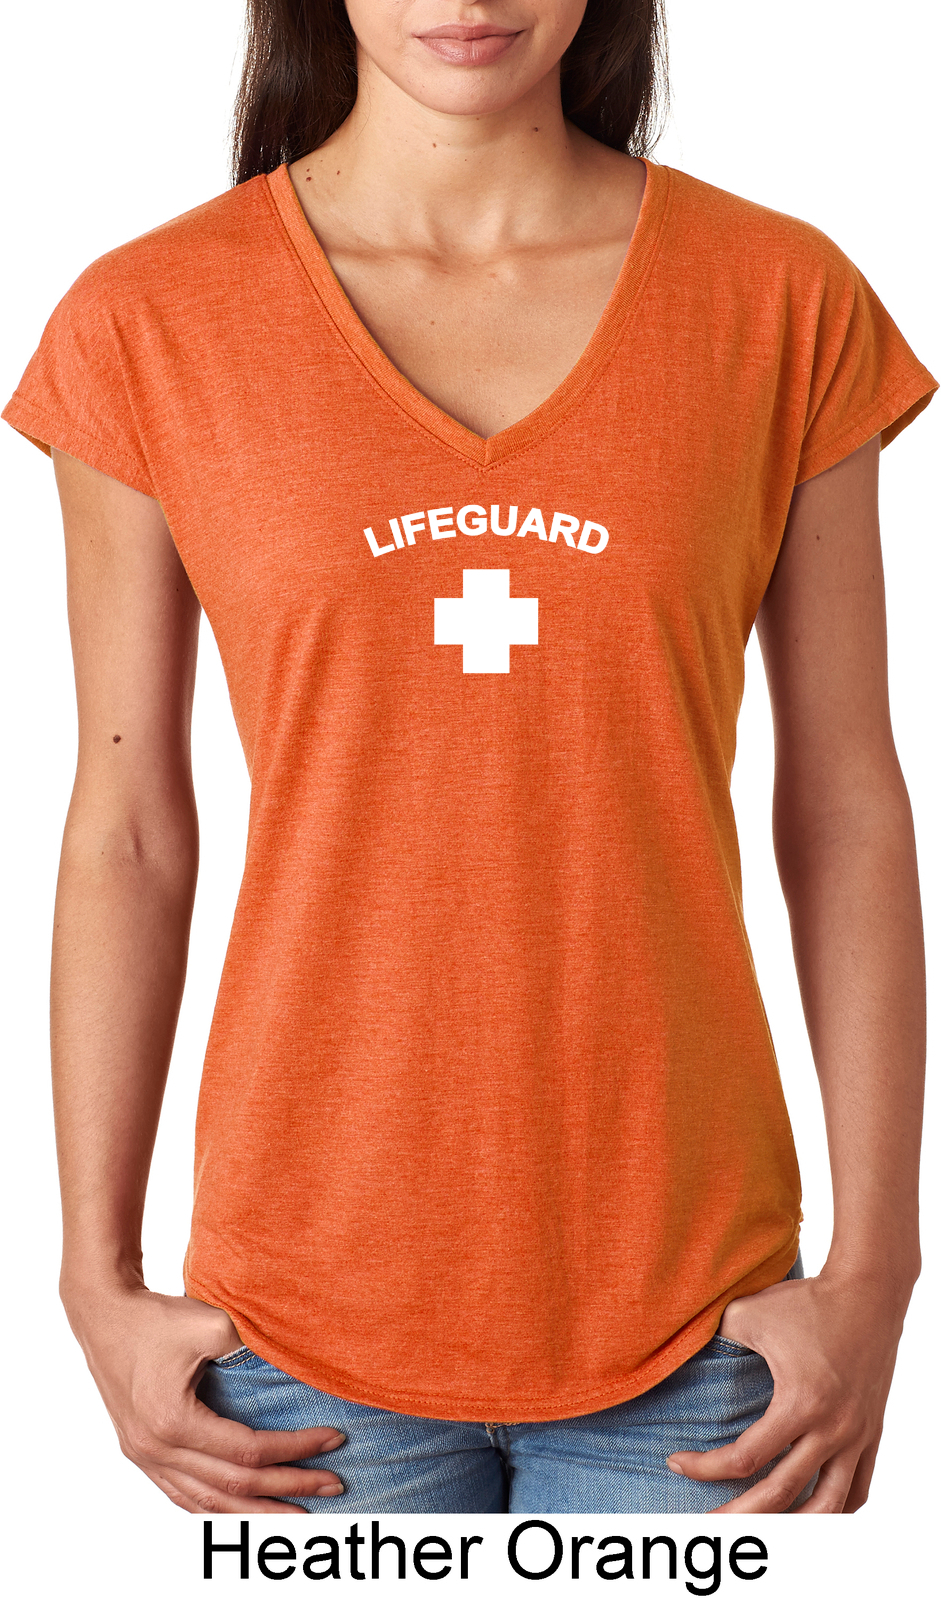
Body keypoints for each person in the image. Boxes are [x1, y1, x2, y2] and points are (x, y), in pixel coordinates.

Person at [3, 0, 935, 1518]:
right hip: (290, 1336)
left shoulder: (779, 297)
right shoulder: (148, 319)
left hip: (706, 1331)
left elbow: (846, 804)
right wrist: (92, 1278)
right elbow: (128, 827)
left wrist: (877, 1269)